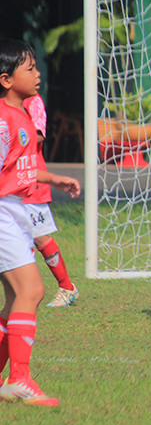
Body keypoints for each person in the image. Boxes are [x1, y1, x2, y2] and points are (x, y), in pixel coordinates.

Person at [0, 38, 80, 406]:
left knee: (17, 296)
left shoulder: (23, 115)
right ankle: (20, 379)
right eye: (29, 68)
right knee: (31, 291)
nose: (36, 74)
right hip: (3, 212)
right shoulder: (4, 120)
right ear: (6, 79)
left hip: (14, 208)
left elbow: (22, 168)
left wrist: (55, 179)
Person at [23, 94, 79, 307]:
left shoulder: (32, 100)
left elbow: (38, 135)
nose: (36, 75)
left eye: (35, 68)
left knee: (38, 236)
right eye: (29, 69)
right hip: (9, 181)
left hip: (30, 180)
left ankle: (66, 287)